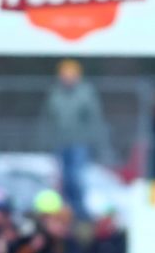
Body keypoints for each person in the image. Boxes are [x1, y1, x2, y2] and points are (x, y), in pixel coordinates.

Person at [38, 59, 109, 222]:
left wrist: (95, 141)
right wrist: (45, 140)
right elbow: (49, 118)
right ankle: (67, 211)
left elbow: (94, 119)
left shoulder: (86, 92)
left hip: (79, 143)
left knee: (76, 178)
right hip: (61, 142)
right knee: (63, 179)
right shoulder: (55, 93)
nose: (67, 79)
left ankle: (80, 212)